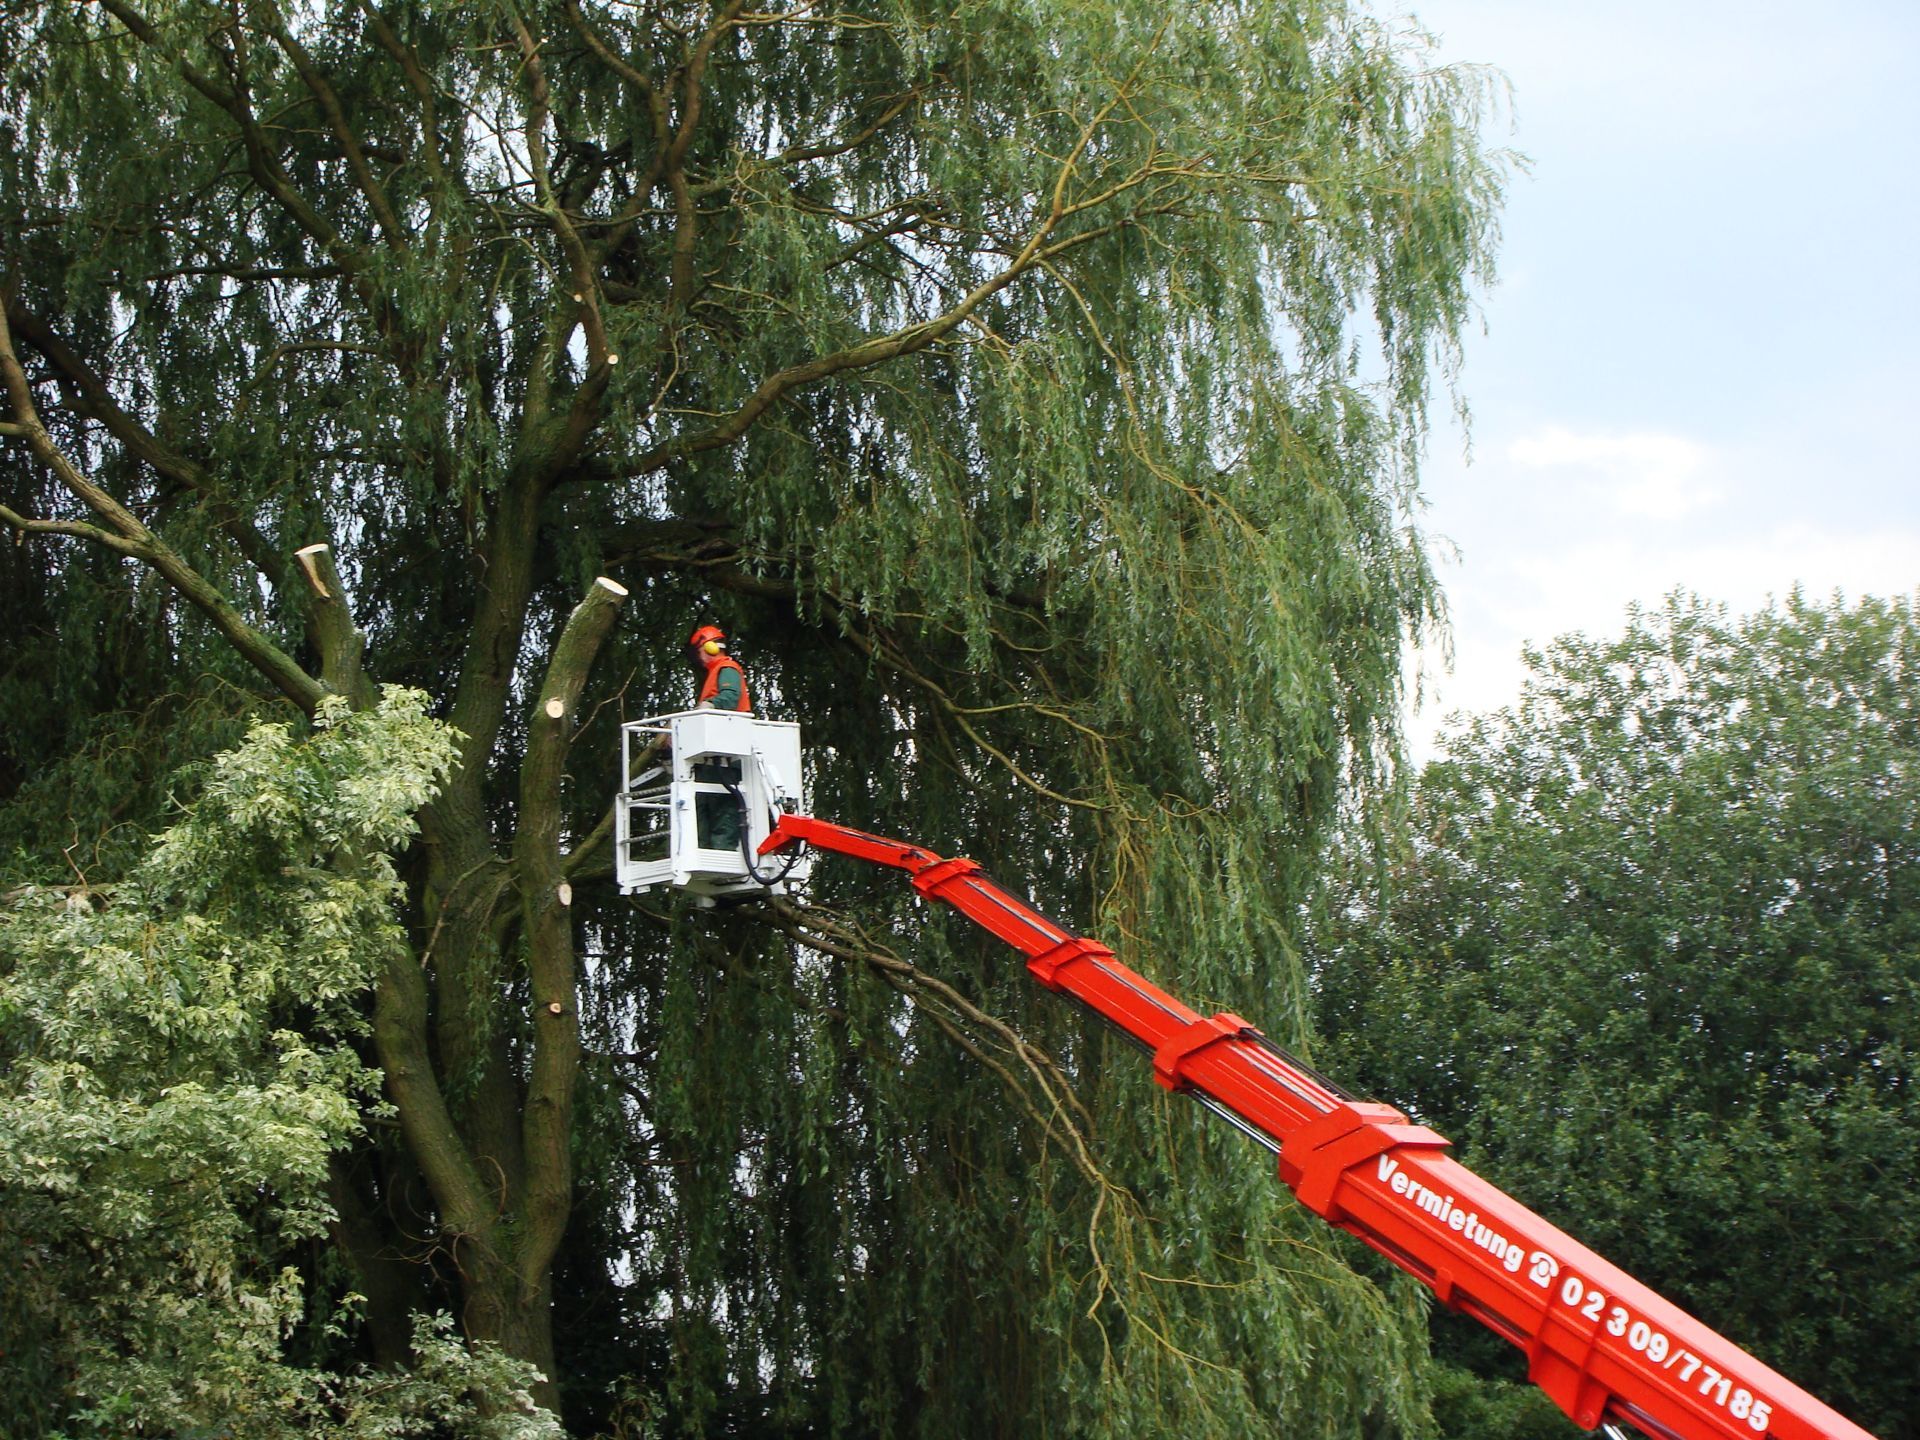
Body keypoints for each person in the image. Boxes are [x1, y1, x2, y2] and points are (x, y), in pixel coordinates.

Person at [686, 624, 749, 850]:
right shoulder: (715, 673)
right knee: (703, 807)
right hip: (713, 758)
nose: (700, 658)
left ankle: (721, 855)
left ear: (710, 647)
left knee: (724, 812)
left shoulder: (728, 669)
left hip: (726, 758)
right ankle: (703, 852)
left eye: (700, 651)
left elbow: (730, 699)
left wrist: (708, 705)